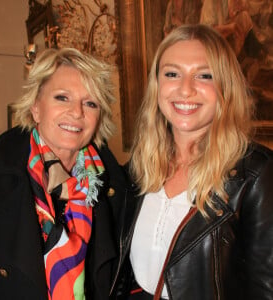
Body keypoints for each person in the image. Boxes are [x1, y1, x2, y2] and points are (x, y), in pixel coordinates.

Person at [112, 24, 273, 299]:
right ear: (157, 85)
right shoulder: (137, 170)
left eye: (204, 75)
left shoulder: (256, 173)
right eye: (172, 74)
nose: (185, 90)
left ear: (226, 87)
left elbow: (266, 287)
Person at [0, 47, 128, 300]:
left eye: (90, 103)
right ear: (35, 107)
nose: (77, 112)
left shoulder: (116, 189)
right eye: (62, 98)